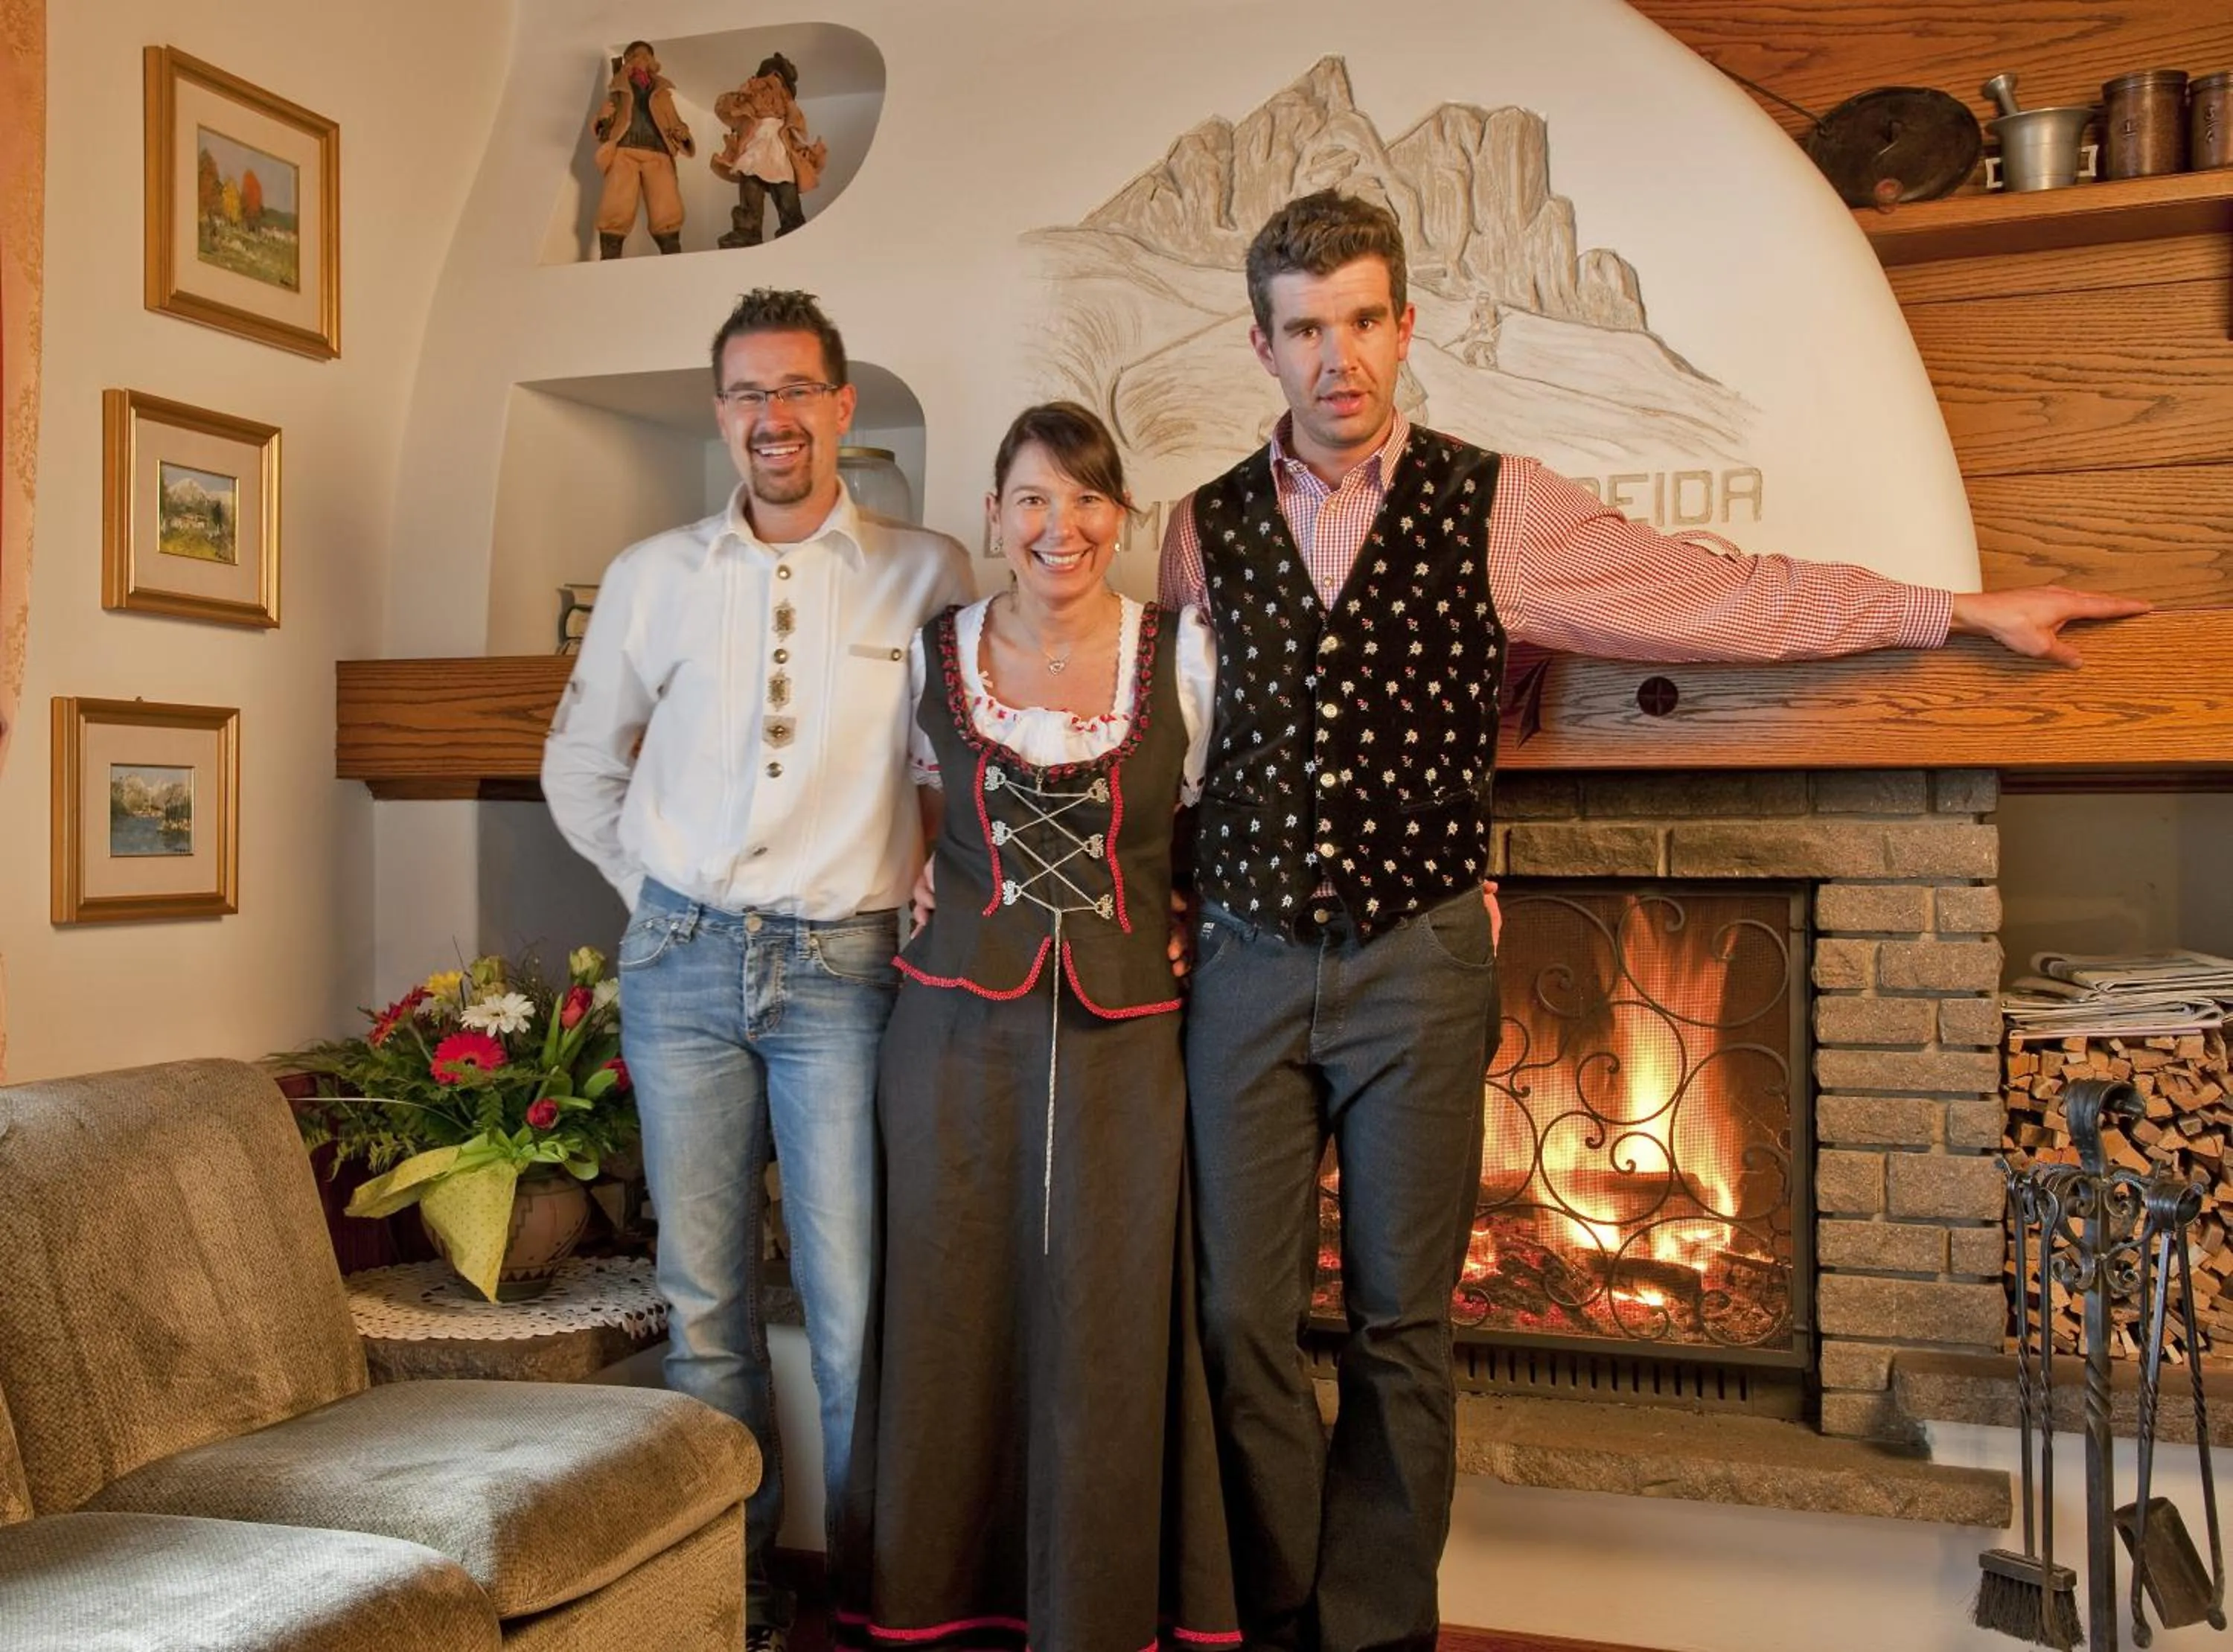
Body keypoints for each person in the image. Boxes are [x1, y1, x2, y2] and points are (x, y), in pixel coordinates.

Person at [1156, 188, 2150, 1652]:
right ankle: (1281, 1603)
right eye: (1306, 328)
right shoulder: (1196, 535)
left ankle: (1371, 1632)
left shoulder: (1503, 506)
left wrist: (1953, 611)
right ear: (1263, 345)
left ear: (1405, 325)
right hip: (1240, 963)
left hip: (1418, 958)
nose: (1338, 357)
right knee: (1237, 1318)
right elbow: (1168, 735)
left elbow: (1719, 598)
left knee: (1401, 1329)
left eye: (1364, 319)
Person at [542, 287, 972, 1652]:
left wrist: (919, 880)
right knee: (708, 1306)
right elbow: (581, 759)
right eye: (745, 395)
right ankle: (735, 1587)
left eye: (796, 391)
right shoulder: (653, 573)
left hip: (848, 974)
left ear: (844, 405)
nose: (771, 418)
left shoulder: (931, 571)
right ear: (719, 414)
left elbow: (956, 768)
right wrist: (654, 892)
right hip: (679, 970)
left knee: (852, 1304)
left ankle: (869, 1591)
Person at [834, 403, 1240, 1652]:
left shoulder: (1183, 656)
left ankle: (1101, 1606)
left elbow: (1216, 825)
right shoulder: (932, 650)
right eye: (1031, 499)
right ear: (996, 517)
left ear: (1122, 518)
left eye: (1085, 501)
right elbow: (905, 805)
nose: (1059, 526)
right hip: (954, 1025)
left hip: (1127, 1029)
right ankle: (941, 1593)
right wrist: (911, 884)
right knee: (953, 1295)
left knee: (1114, 1307)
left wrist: (1187, 914)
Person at [591, 40, 694, 258]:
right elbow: (605, 125)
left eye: (647, 56)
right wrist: (602, 117)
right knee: (616, 201)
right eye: (636, 56)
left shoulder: (662, 91)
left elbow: (673, 119)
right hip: (624, 150)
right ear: (627, 60)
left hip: (657, 151)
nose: (642, 60)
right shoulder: (619, 88)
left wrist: (681, 132)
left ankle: (671, 250)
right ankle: (610, 252)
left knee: (666, 202)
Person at [714, 53, 826, 249]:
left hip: (778, 150)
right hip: (754, 147)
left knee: (785, 189)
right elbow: (728, 110)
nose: (769, 90)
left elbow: (797, 131)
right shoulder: (749, 101)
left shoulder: (787, 110)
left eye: (776, 82)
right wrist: (742, 94)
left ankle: (793, 228)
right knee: (750, 187)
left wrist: (805, 149)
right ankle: (747, 231)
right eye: (766, 82)